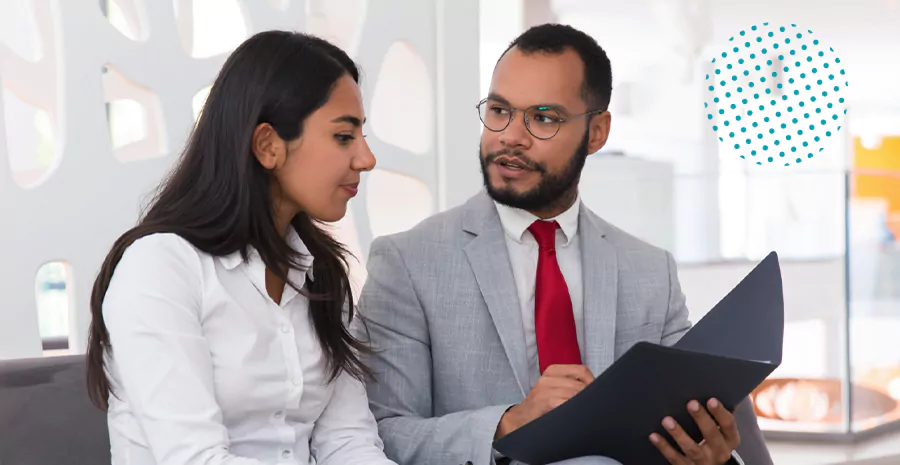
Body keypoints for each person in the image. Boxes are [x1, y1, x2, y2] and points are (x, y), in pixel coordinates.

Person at [358, 24, 773, 465]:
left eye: (542, 118)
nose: (510, 136)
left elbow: (689, 418)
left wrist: (709, 454)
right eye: (499, 110)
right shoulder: (408, 262)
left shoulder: (651, 273)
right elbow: (381, 435)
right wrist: (508, 423)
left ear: (597, 132)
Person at [84, 31, 396, 465]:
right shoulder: (159, 267)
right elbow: (194, 459)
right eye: (344, 136)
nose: (366, 159)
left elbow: (349, 443)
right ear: (268, 145)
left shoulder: (321, 275)